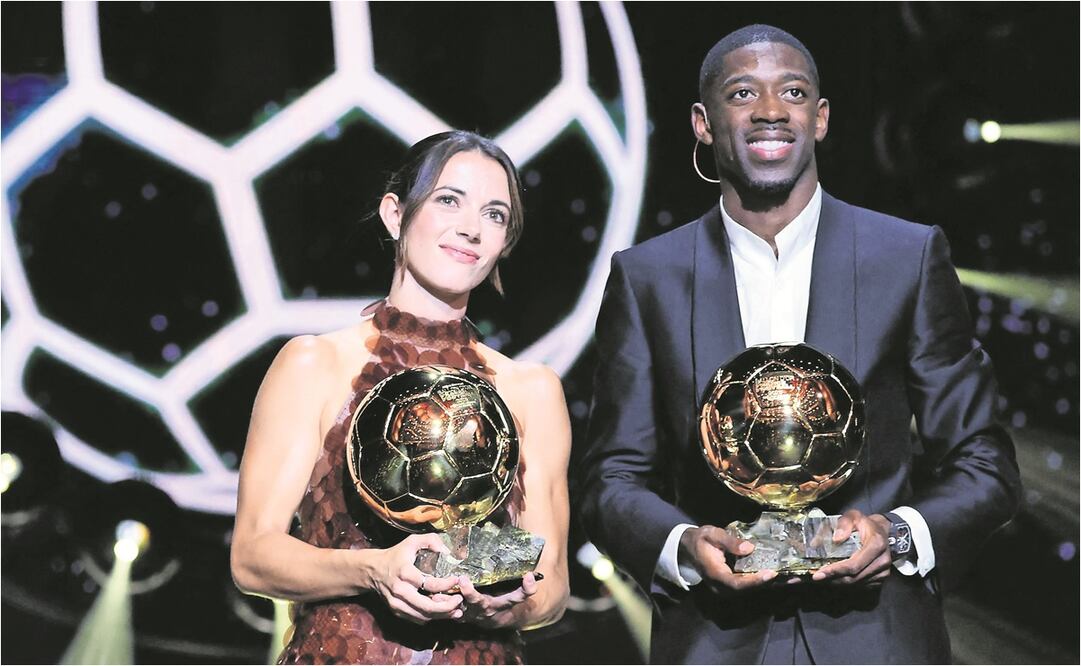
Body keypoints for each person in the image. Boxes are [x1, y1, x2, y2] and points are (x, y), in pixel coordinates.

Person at [579, 24, 1021, 664]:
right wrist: (681, 544)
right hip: (714, 637)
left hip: (878, 638)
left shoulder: (906, 256)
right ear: (703, 124)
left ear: (819, 119)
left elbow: (984, 460)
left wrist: (897, 533)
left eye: (792, 91)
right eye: (741, 93)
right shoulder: (648, 277)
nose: (768, 110)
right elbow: (612, 475)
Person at [231, 131, 571, 665]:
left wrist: (497, 604)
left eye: (495, 214)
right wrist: (372, 569)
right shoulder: (315, 364)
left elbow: (551, 589)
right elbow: (251, 556)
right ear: (395, 214)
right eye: (448, 200)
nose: (471, 228)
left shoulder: (531, 390)